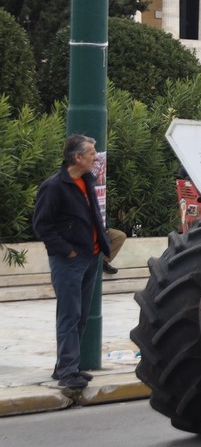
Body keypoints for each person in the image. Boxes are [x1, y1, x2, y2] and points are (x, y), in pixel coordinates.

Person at [31, 134, 112, 390]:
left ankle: (67, 367)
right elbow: (42, 225)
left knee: (81, 316)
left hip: (91, 258)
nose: (95, 157)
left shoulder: (87, 180)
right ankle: (68, 371)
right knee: (69, 314)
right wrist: (68, 252)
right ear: (77, 157)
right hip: (69, 261)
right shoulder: (54, 186)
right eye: (91, 153)